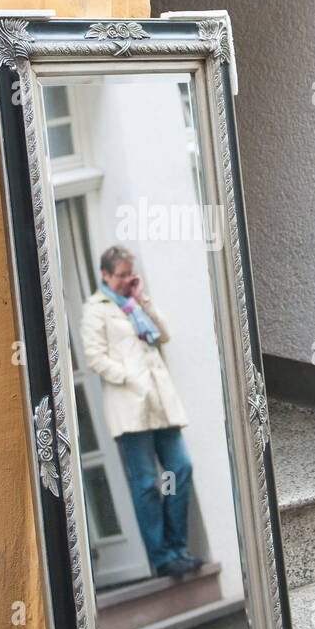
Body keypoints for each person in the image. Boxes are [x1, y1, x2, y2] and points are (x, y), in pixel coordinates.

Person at [80, 245, 205, 579]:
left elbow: (163, 335)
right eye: (120, 275)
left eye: (128, 275)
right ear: (105, 274)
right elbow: (94, 358)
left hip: (161, 405)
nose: (125, 281)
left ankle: (179, 548)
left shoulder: (136, 305)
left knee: (180, 468)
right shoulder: (96, 309)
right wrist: (129, 377)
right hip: (130, 408)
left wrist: (143, 299)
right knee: (148, 483)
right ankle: (163, 557)